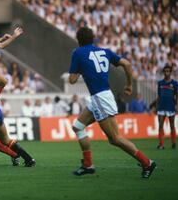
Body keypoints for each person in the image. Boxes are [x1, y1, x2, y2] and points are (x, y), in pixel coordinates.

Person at [69, 27, 156, 178]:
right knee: (78, 126)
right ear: (93, 38)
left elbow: (71, 80)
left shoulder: (78, 53)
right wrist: (129, 85)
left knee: (115, 139)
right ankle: (88, 165)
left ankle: (147, 162)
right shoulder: (105, 51)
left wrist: (79, 70)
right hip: (100, 97)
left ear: (79, 40)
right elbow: (127, 64)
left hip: (100, 98)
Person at [153, 64, 177, 149]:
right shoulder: (160, 83)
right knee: (160, 126)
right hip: (161, 107)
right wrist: (156, 107)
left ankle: (173, 143)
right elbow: (159, 96)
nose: (166, 73)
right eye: (165, 71)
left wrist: (177, 106)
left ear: (170, 72)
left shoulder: (174, 83)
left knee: (172, 125)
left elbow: (176, 96)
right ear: (163, 72)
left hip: (170, 106)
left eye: (168, 71)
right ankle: (161, 144)